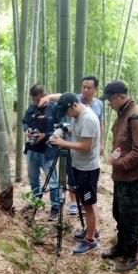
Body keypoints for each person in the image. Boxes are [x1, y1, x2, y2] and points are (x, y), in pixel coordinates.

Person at [40, 92, 101, 254]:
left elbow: (86, 145)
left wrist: (62, 142)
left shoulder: (87, 118)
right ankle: (92, 230)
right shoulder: (77, 114)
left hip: (87, 169)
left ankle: (90, 241)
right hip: (79, 166)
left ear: (74, 105)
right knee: (87, 201)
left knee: (88, 204)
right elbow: (63, 96)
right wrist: (62, 130)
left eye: (67, 112)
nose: (67, 115)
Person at [100, 81, 138, 273]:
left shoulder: (136, 116)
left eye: (111, 100)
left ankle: (131, 255)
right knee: (120, 213)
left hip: (133, 177)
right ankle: (120, 247)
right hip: (122, 176)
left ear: (121, 96)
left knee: (131, 216)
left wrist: (120, 163)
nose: (109, 104)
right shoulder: (123, 113)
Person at [64, 75, 105, 215]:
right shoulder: (75, 101)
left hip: (87, 163)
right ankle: (74, 203)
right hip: (76, 157)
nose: (85, 90)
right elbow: (61, 97)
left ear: (95, 89)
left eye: (89, 88)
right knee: (74, 181)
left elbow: (100, 125)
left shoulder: (93, 109)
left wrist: (101, 144)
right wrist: (48, 97)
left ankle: (91, 235)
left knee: (89, 202)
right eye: (83, 87)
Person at [22, 85, 60, 221]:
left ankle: (55, 207)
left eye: (38, 100)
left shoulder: (55, 108)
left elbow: (62, 129)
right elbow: (25, 121)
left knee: (53, 180)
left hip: (48, 150)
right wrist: (26, 130)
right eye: (34, 100)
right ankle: (36, 203)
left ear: (45, 95)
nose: (36, 103)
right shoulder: (32, 107)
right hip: (32, 149)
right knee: (33, 178)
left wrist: (45, 135)